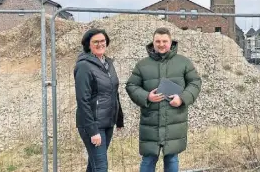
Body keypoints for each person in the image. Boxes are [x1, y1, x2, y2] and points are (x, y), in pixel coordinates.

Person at [126, 27, 202, 172]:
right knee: (148, 159)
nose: (161, 44)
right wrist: (147, 96)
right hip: (151, 121)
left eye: (164, 41)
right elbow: (131, 85)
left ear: (171, 42)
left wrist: (182, 98)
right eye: (158, 41)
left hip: (174, 120)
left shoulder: (183, 62)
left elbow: (195, 83)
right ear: (153, 43)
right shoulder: (142, 65)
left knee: (172, 157)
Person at [74, 28, 124, 172]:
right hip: (93, 124)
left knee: (94, 165)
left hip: (108, 122)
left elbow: (114, 91)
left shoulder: (108, 64)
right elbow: (82, 100)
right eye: (95, 42)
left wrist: (119, 119)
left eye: (102, 41)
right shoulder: (84, 66)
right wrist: (92, 130)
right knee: (101, 167)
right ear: (88, 45)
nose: (100, 44)